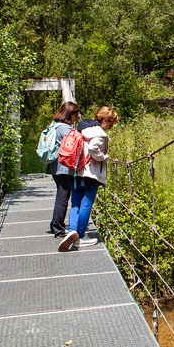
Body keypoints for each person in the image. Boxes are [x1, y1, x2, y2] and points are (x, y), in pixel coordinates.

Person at [59, 106, 118, 252]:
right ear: (105, 120)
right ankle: (80, 237)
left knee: (75, 204)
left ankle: (72, 231)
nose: (109, 128)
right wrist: (103, 157)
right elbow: (92, 148)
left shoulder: (82, 129)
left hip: (76, 172)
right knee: (86, 205)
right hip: (90, 174)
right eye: (110, 124)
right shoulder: (98, 133)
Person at [46, 101, 81, 238]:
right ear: (70, 114)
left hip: (55, 166)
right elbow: (77, 142)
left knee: (61, 195)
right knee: (63, 197)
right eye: (76, 115)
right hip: (63, 167)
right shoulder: (65, 129)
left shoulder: (54, 125)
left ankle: (55, 223)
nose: (76, 118)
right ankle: (58, 229)